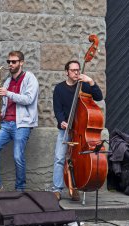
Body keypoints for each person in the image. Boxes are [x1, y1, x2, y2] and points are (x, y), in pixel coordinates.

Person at [0, 51, 39, 193]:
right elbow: (5, 102)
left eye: (14, 62)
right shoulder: (7, 81)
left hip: (22, 124)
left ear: (21, 62)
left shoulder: (30, 78)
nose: (10, 64)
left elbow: (28, 99)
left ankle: (20, 189)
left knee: (18, 156)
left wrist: (7, 93)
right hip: (6, 124)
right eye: (9, 62)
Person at [52, 60, 103, 200]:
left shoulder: (84, 86)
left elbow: (99, 97)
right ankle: (56, 189)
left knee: (77, 160)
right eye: (73, 70)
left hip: (80, 131)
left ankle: (74, 187)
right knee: (59, 158)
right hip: (65, 130)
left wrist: (91, 81)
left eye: (78, 70)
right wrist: (62, 121)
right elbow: (58, 109)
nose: (76, 73)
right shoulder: (59, 89)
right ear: (66, 72)